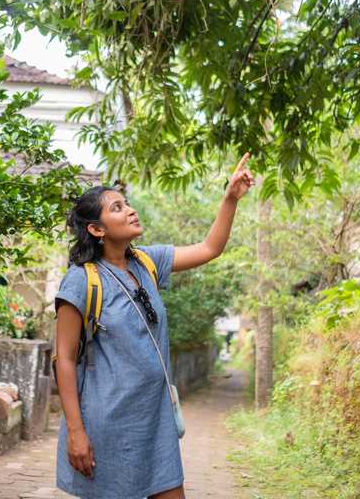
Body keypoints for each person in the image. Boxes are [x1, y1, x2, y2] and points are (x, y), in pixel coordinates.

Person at [54, 153, 256, 499]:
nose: (130, 210)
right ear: (96, 229)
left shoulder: (147, 260)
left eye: (127, 204)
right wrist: (75, 431)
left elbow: (210, 248)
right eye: (117, 208)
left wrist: (230, 198)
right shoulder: (81, 280)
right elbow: (65, 359)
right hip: (108, 423)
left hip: (156, 416)